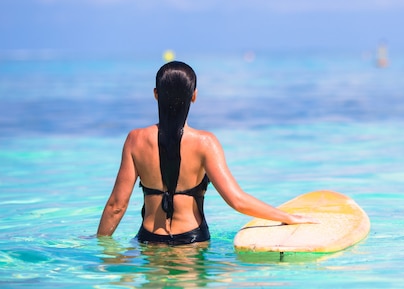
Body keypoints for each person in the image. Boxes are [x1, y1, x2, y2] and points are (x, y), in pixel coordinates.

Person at [97, 61, 315, 245]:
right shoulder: (205, 143)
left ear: (156, 94)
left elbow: (117, 205)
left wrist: (100, 245)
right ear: (194, 96)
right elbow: (237, 200)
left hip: (148, 242)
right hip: (192, 243)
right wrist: (288, 217)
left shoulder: (135, 140)